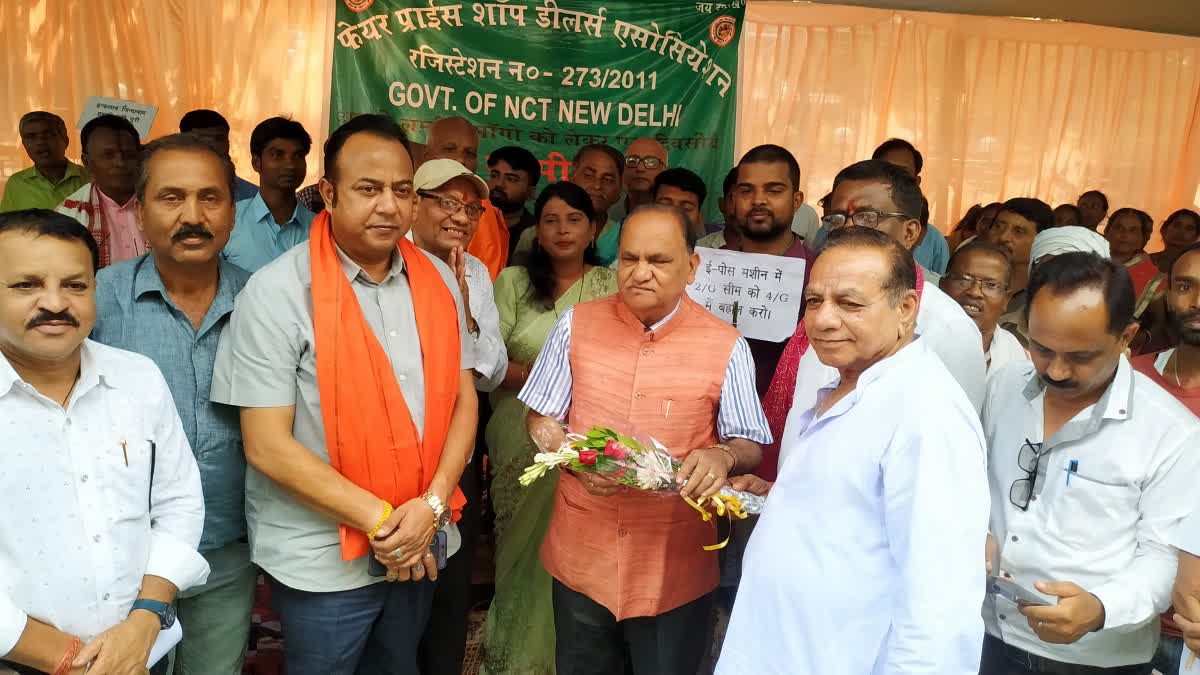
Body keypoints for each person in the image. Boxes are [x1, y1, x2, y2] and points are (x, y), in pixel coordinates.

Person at [210, 114, 478, 675]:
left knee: (399, 665)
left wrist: (430, 508)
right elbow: (266, 446)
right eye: (368, 189)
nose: (388, 206)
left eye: (401, 191)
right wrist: (386, 522)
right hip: (323, 560)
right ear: (328, 193)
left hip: (421, 545)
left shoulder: (438, 280)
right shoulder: (278, 292)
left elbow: (462, 401)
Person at [717, 227, 990, 674]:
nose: (823, 319)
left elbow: (940, 602)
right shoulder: (844, 382)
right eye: (814, 301)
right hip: (778, 649)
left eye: (850, 303)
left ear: (906, 309)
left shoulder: (926, 414)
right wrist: (780, 498)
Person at [520, 204, 770, 675]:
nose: (640, 273)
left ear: (692, 267)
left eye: (658, 261)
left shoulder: (726, 343)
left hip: (673, 566)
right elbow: (539, 416)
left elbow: (749, 442)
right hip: (582, 556)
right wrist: (566, 453)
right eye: (629, 259)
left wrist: (722, 455)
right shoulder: (577, 324)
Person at [0, 209, 208, 675]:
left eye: (75, 285)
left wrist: (143, 624)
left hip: (141, 652)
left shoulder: (137, 378)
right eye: (26, 285)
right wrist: (72, 662)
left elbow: (179, 503)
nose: (54, 302)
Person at [980, 252, 1200, 674]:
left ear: (1127, 337)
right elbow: (973, 483)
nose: (1057, 371)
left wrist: (1099, 608)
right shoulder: (1004, 387)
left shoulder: (1172, 432)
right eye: (1041, 348)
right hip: (989, 631)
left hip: (1091, 659)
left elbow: (1161, 556)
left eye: (1081, 357)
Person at [91, 134, 255, 675]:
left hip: (226, 549)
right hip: (119, 554)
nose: (192, 215)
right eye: (170, 197)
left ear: (232, 211)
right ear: (139, 212)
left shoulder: (265, 302)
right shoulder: (97, 299)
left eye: (210, 198)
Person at [758, 159, 986, 481]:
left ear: (910, 232)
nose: (849, 230)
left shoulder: (949, 329)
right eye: (837, 219)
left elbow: (944, 465)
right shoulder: (823, 305)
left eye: (868, 217)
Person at [481, 182, 617, 675]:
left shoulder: (610, 286)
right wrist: (554, 379)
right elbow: (488, 366)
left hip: (586, 441)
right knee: (520, 553)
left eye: (574, 220)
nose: (562, 230)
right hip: (519, 435)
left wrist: (560, 382)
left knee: (574, 558)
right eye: (552, 220)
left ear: (594, 228)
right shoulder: (514, 282)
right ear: (537, 230)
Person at [408, 157, 506, 675]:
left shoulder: (475, 273)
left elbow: (491, 370)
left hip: (457, 445)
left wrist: (464, 308)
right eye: (447, 203)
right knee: (399, 583)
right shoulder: (389, 263)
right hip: (395, 448)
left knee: (450, 578)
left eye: (470, 207)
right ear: (412, 203)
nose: (461, 217)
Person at [1138, 242, 1200, 675]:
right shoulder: (1128, 377)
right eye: (1185, 286)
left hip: (1190, 635)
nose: (1197, 302)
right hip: (1113, 618)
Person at [727, 144, 816, 396]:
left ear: (796, 200)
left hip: (791, 421)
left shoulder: (820, 274)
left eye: (774, 190)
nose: (758, 200)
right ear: (733, 199)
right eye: (746, 191)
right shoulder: (704, 270)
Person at [224, 116, 315, 273]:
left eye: (298, 156)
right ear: (256, 162)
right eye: (277, 155)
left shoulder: (320, 229)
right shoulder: (228, 222)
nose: (290, 165)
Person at [423, 116, 508, 278]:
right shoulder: (404, 195)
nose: (460, 159)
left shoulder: (482, 209)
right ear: (428, 156)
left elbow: (487, 269)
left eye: (470, 153)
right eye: (449, 149)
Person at [55, 114, 144, 269]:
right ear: (87, 162)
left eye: (128, 154)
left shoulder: (166, 203)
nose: (120, 163)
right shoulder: (68, 214)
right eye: (108, 155)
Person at [941, 241, 1028, 373]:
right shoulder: (908, 343)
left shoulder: (1022, 362)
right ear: (942, 286)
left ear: (1006, 299)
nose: (974, 292)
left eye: (991, 285)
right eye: (964, 279)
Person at [873, 138, 951, 275]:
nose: (892, 180)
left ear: (916, 181)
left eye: (902, 174)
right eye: (885, 171)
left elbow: (940, 284)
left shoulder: (934, 241)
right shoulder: (846, 223)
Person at [984, 197, 1054, 330]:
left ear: (1040, 241)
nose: (1003, 237)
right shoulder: (969, 284)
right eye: (998, 226)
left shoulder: (1043, 299)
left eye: (1018, 231)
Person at [1, 112, 89, 212]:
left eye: (49, 134)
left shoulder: (91, 178)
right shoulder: (16, 184)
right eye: (31, 136)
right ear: (24, 144)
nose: (40, 142)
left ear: (65, 140)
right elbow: (7, 225)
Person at [179, 109, 258, 201]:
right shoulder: (164, 190)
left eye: (219, 139)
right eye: (203, 140)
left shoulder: (253, 197)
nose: (214, 147)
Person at [485, 145, 540, 264]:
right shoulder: (470, 221)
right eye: (494, 176)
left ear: (530, 192)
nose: (499, 184)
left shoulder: (536, 235)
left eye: (511, 179)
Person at [607, 137, 668, 225]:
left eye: (651, 162)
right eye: (632, 160)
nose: (640, 168)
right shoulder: (608, 211)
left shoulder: (673, 214)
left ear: (665, 170)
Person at [652, 167, 707, 239]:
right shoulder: (633, 246)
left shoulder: (706, 249)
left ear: (699, 216)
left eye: (686, 208)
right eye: (664, 205)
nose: (675, 215)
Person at [1152, 209, 1200, 274]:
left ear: (1196, 237)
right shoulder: (1144, 261)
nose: (1181, 232)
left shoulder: (1196, 270)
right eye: (1177, 225)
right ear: (1164, 230)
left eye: (1189, 229)